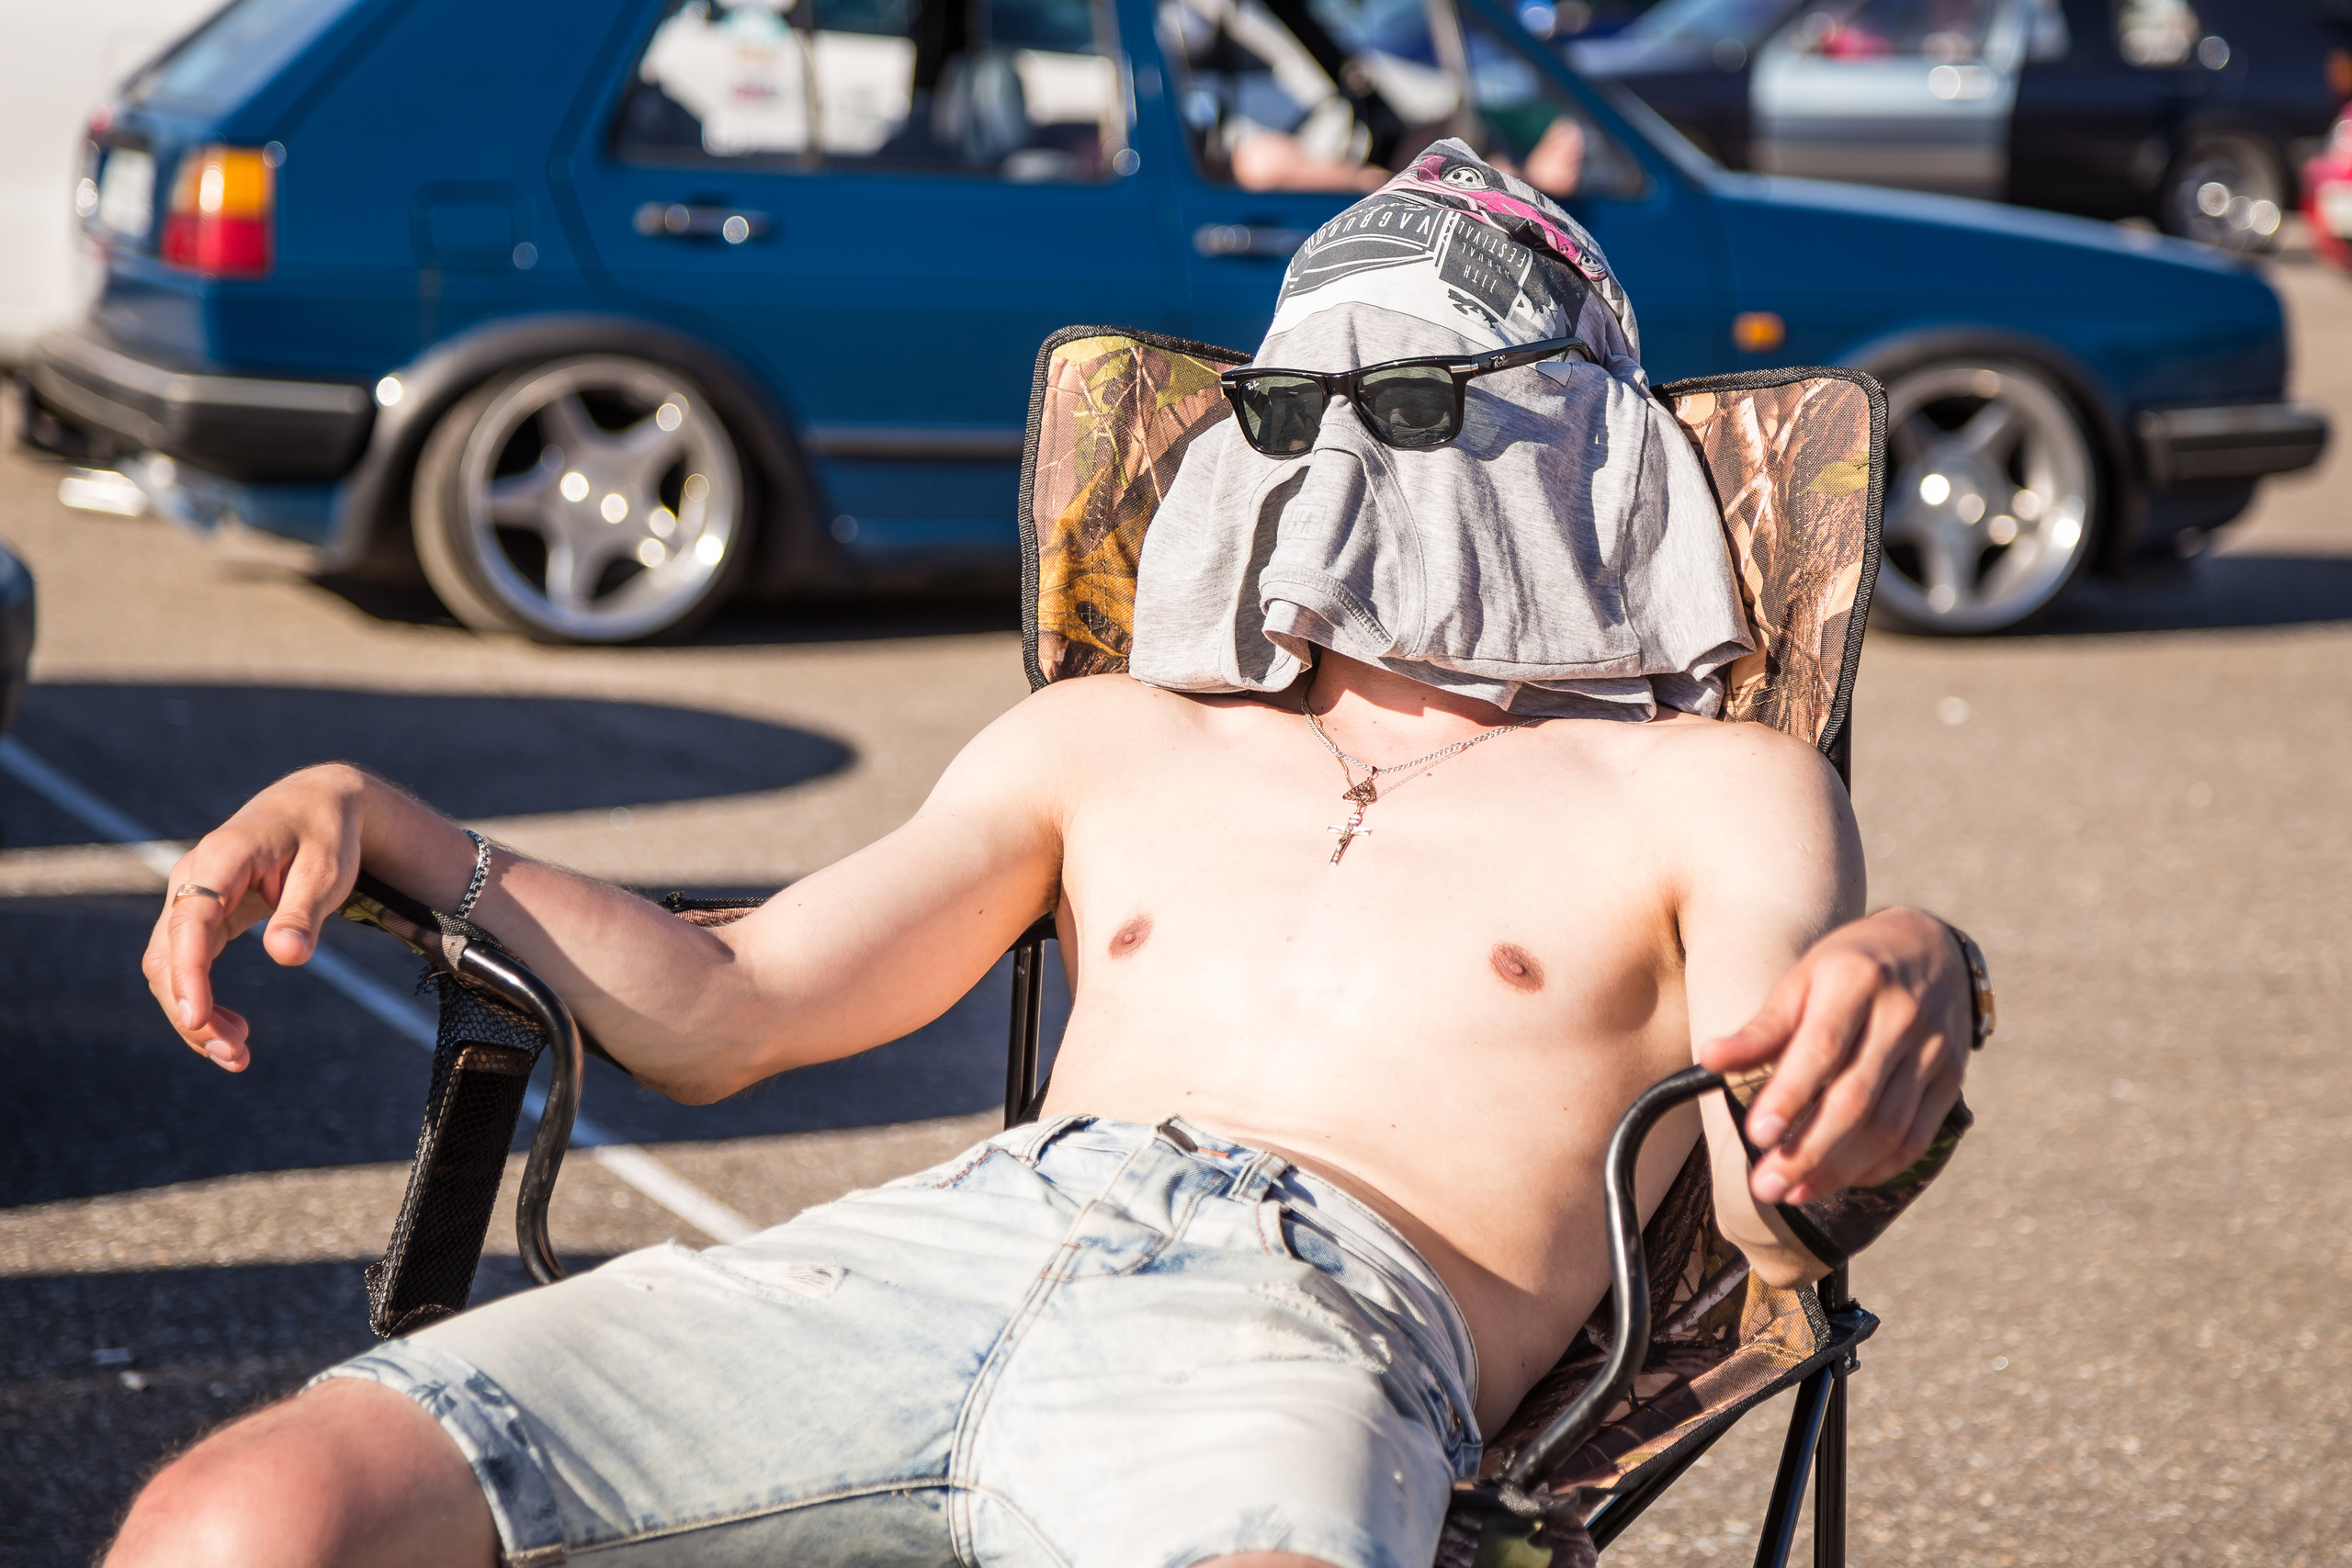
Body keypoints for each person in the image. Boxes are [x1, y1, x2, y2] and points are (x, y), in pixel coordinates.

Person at [110, 148, 1979, 1568]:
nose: (1350, 461)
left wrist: (1916, 972)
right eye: (1299, 405)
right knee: (248, 1510)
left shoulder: (1706, 788)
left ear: (1583, 460)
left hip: (1311, 1320)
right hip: (944, 1243)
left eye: (1424, 408)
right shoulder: (1108, 740)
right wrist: (394, 822)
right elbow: (727, 1005)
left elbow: (1766, 1190)